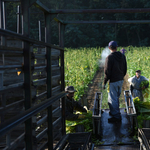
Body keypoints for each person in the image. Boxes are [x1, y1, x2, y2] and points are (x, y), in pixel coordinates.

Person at [103, 41, 127, 123]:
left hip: (113, 81)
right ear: (116, 47)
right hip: (120, 80)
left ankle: (116, 117)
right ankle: (114, 112)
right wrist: (121, 77)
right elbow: (125, 69)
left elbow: (107, 71)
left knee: (113, 99)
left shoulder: (109, 57)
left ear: (109, 48)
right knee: (116, 98)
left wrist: (105, 82)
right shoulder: (122, 56)